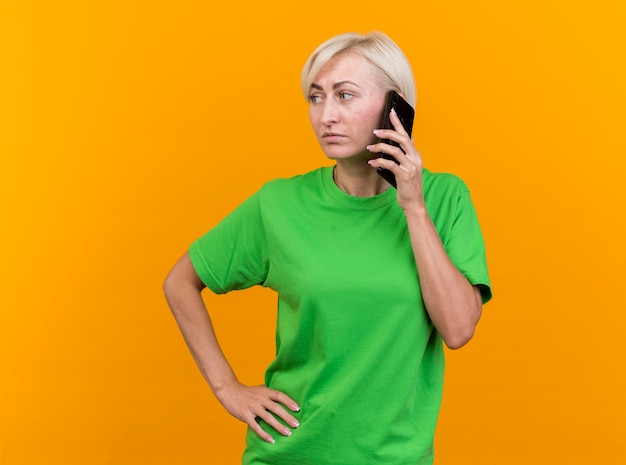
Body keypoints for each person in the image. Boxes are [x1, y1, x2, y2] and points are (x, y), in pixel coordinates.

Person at [163, 31, 492, 465]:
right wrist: (228, 387)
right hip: (290, 453)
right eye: (316, 98)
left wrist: (412, 206)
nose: (326, 116)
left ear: (396, 108)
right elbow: (180, 282)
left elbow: (458, 329)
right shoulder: (278, 204)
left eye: (345, 95)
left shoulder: (445, 198)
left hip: (395, 457)